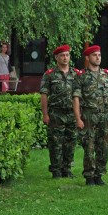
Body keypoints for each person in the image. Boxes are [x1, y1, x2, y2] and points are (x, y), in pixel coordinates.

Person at [72, 45, 108, 186]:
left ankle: (99, 174)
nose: (98, 57)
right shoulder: (81, 76)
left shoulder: (106, 76)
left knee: (104, 147)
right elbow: (76, 98)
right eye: (94, 55)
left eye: (99, 55)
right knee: (89, 147)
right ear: (88, 57)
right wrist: (78, 118)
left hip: (104, 115)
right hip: (88, 116)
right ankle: (89, 176)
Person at [40, 45, 79, 179]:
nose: (65, 58)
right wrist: (45, 114)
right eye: (62, 55)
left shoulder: (76, 74)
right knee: (55, 142)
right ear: (56, 58)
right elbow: (44, 95)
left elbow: (80, 96)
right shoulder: (49, 74)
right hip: (56, 113)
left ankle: (67, 169)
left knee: (71, 141)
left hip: (72, 114)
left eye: (67, 55)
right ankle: (56, 170)